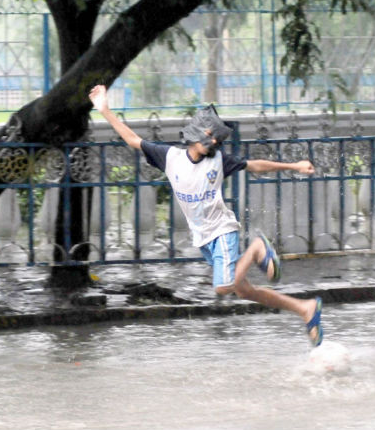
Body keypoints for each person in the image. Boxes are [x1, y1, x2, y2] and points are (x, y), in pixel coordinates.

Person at [88, 84, 323, 346]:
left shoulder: (219, 161)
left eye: (218, 140)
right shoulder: (170, 157)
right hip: (204, 238)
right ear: (195, 134)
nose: (214, 142)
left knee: (223, 287)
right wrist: (105, 110)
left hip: (222, 229)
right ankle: (305, 309)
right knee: (244, 290)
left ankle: (257, 249)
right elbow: (132, 139)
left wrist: (293, 165)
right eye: (210, 136)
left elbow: (255, 165)